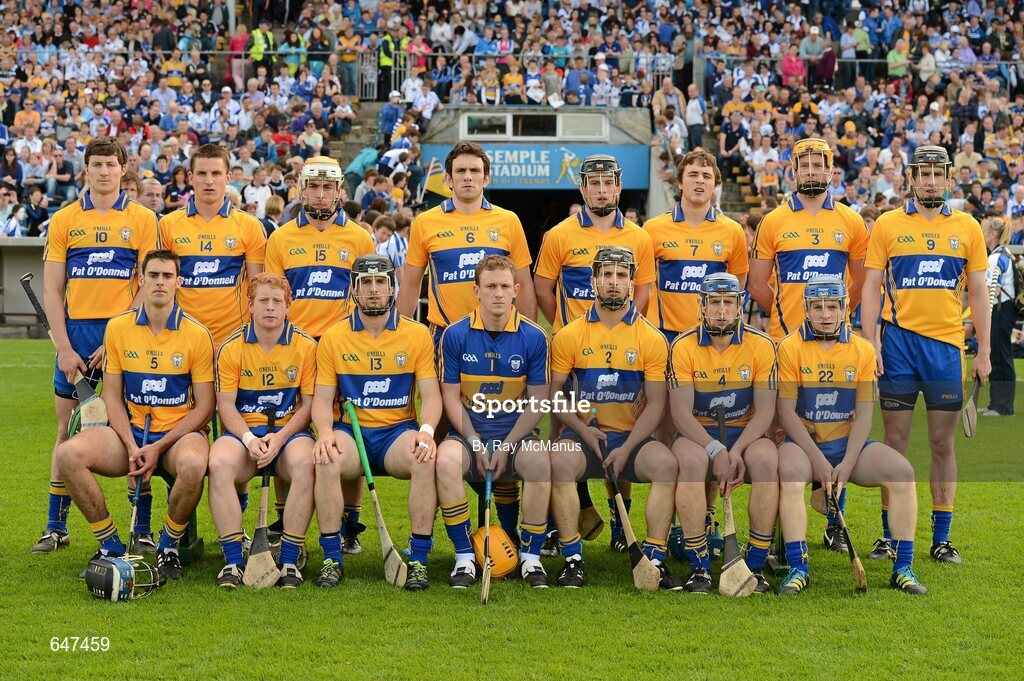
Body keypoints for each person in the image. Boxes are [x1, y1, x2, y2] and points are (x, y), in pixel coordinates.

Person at [397, 141, 536, 540]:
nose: (468, 178)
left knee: (501, 425)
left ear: (486, 177)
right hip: (446, 339)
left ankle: (503, 532)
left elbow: (522, 281)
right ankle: (445, 538)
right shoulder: (426, 223)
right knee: (441, 438)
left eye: (475, 171)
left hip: (500, 341)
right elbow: (411, 281)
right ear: (449, 178)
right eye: (461, 172)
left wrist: (522, 332)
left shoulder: (508, 221)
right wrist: (406, 333)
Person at [861, 145, 991, 565]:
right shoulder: (888, 224)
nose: (931, 180)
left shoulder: (968, 227)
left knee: (941, 443)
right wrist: (871, 342)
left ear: (949, 178)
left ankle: (941, 537)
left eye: (938, 173)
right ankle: (888, 535)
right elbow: (870, 287)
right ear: (911, 178)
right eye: (924, 173)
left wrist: (984, 350)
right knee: (894, 442)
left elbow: (978, 293)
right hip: (897, 346)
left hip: (946, 350)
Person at [56, 249, 215, 582]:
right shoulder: (118, 328)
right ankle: (110, 544)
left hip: (176, 436)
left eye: (167, 276)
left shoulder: (198, 334)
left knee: (194, 465)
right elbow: (112, 397)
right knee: (68, 454)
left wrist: (158, 448)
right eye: (153, 275)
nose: (160, 282)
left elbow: (204, 407)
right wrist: (131, 445)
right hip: (128, 432)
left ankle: (168, 545)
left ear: (178, 283)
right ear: (141, 280)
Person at [33, 138, 158, 554]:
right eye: (96, 164)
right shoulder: (65, 219)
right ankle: (56, 526)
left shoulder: (143, 218)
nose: (104, 171)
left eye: (111, 164)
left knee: (135, 430)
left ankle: (141, 527)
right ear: (86, 169)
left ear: (123, 169)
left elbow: (146, 285)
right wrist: (65, 349)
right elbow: (53, 290)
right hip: (76, 337)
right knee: (66, 430)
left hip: (125, 338)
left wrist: (117, 334)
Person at [748, 137, 870, 550]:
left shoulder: (851, 222)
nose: (813, 171)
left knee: (839, 421)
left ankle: (834, 521)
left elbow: (858, 282)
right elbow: (757, 284)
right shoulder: (774, 221)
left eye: (820, 165)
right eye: (805, 165)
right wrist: (786, 317)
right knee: (788, 429)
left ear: (831, 171)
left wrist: (836, 318)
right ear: (793, 172)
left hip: (837, 344)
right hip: (787, 344)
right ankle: (786, 531)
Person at [534, 154, 656, 553]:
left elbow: (643, 291)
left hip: (621, 349)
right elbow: (542, 290)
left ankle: (621, 521)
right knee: (561, 430)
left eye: (608, 182)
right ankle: (559, 523)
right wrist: (571, 330)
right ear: (582, 188)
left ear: (619, 186)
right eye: (594, 183)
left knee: (616, 426)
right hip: (572, 351)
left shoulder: (639, 237)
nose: (602, 189)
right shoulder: (559, 236)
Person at [776, 277, 926, 595]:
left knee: (903, 473)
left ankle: (903, 568)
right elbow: (787, 413)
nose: (826, 314)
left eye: (833, 306)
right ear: (806, 309)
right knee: (789, 475)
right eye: (818, 307)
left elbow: (865, 414)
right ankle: (797, 567)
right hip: (804, 444)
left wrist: (847, 462)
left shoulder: (863, 350)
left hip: (847, 443)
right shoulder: (789, 347)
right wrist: (817, 460)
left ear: (845, 308)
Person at [548, 247, 680, 589]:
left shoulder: (651, 337)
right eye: (606, 275)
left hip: (631, 439)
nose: (613, 282)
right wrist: (581, 430)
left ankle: (655, 556)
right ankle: (572, 558)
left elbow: (655, 405)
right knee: (559, 464)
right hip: (582, 436)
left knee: (666, 466)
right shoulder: (568, 335)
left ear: (632, 283)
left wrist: (627, 447)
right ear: (593, 281)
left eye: (621, 276)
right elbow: (554, 396)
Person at [264, 155, 375, 549]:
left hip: (342, 350)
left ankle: (350, 523)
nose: (321, 194)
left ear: (340, 190)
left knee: (347, 429)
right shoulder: (280, 239)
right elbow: (275, 298)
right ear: (300, 188)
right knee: (286, 427)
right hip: (293, 351)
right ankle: (280, 519)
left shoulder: (360, 238)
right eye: (313, 186)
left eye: (328, 187)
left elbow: (367, 297)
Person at [312, 255, 441, 590]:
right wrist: (324, 433)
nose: (373, 290)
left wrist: (426, 432)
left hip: (397, 432)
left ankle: (419, 560)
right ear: (354, 289)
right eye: (365, 283)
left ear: (391, 287)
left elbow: (431, 396)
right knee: (326, 458)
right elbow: (322, 402)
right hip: (350, 433)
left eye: (380, 282)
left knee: (424, 458)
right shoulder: (334, 337)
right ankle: (331, 558)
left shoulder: (416, 334)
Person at [435, 255, 552, 588]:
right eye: (490, 287)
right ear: (476, 291)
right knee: (445, 462)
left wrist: (507, 443)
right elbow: (450, 399)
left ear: (516, 290)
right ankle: (464, 558)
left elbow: (538, 401)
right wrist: (473, 440)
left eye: (504, 286)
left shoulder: (535, 337)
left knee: (540, 463)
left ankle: (531, 558)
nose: (498, 293)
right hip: (469, 433)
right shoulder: (454, 335)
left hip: (515, 434)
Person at [667, 273, 778, 594]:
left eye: (728, 302)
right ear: (701, 306)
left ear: (739, 306)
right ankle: (699, 565)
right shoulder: (683, 345)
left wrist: (737, 451)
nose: (721, 310)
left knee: (768, 463)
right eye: (713, 302)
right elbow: (680, 414)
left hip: (745, 432)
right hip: (697, 433)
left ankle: (755, 565)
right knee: (689, 463)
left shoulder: (761, 345)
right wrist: (716, 449)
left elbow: (766, 411)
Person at [208, 273, 317, 589]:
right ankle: (233, 560)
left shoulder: (306, 346)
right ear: (250, 306)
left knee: (306, 463)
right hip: (245, 434)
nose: (271, 308)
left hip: (288, 432)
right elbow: (225, 406)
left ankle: (289, 559)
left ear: (288, 306)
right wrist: (249, 439)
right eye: (263, 301)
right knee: (218, 463)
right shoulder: (231, 347)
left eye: (277, 301)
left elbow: (308, 405)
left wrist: (280, 438)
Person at [157, 144, 266, 348]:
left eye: (216, 173)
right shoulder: (168, 225)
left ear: (228, 177)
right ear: (190, 177)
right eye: (201, 173)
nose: (209, 181)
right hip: (181, 338)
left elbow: (256, 289)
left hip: (234, 341)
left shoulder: (250, 226)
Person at [980, 217, 1016, 417]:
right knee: (998, 355)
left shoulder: (995, 258)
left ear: (993, 234)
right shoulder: (1003, 254)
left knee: (1000, 357)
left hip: (1000, 311)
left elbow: (992, 290)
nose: (982, 233)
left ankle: (1003, 405)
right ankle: (997, 402)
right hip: (1004, 310)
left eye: (984, 230)